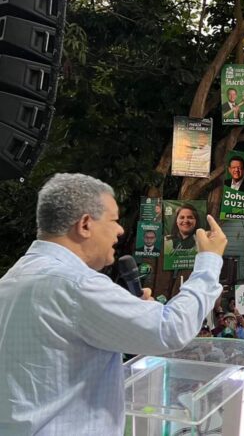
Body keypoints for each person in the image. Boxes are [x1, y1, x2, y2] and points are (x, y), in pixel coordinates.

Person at [0, 173, 227, 434]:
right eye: (114, 220)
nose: (120, 230)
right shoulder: (76, 285)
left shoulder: (12, 279)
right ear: (85, 224)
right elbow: (170, 329)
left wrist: (128, 314)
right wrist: (209, 262)